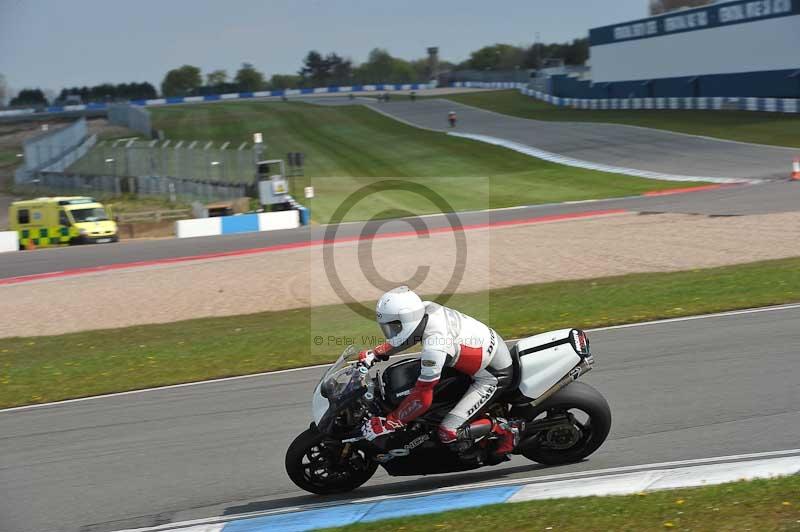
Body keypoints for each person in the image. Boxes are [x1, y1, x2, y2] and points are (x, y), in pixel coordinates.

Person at [359, 286, 522, 460]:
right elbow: (409, 334)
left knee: (448, 432)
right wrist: (377, 353)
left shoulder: (435, 345)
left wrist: (393, 421)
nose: (391, 331)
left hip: (492, 375)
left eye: (394, 326)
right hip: (483, 351)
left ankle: (505, 428)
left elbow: (423, 396)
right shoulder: (426, 308)